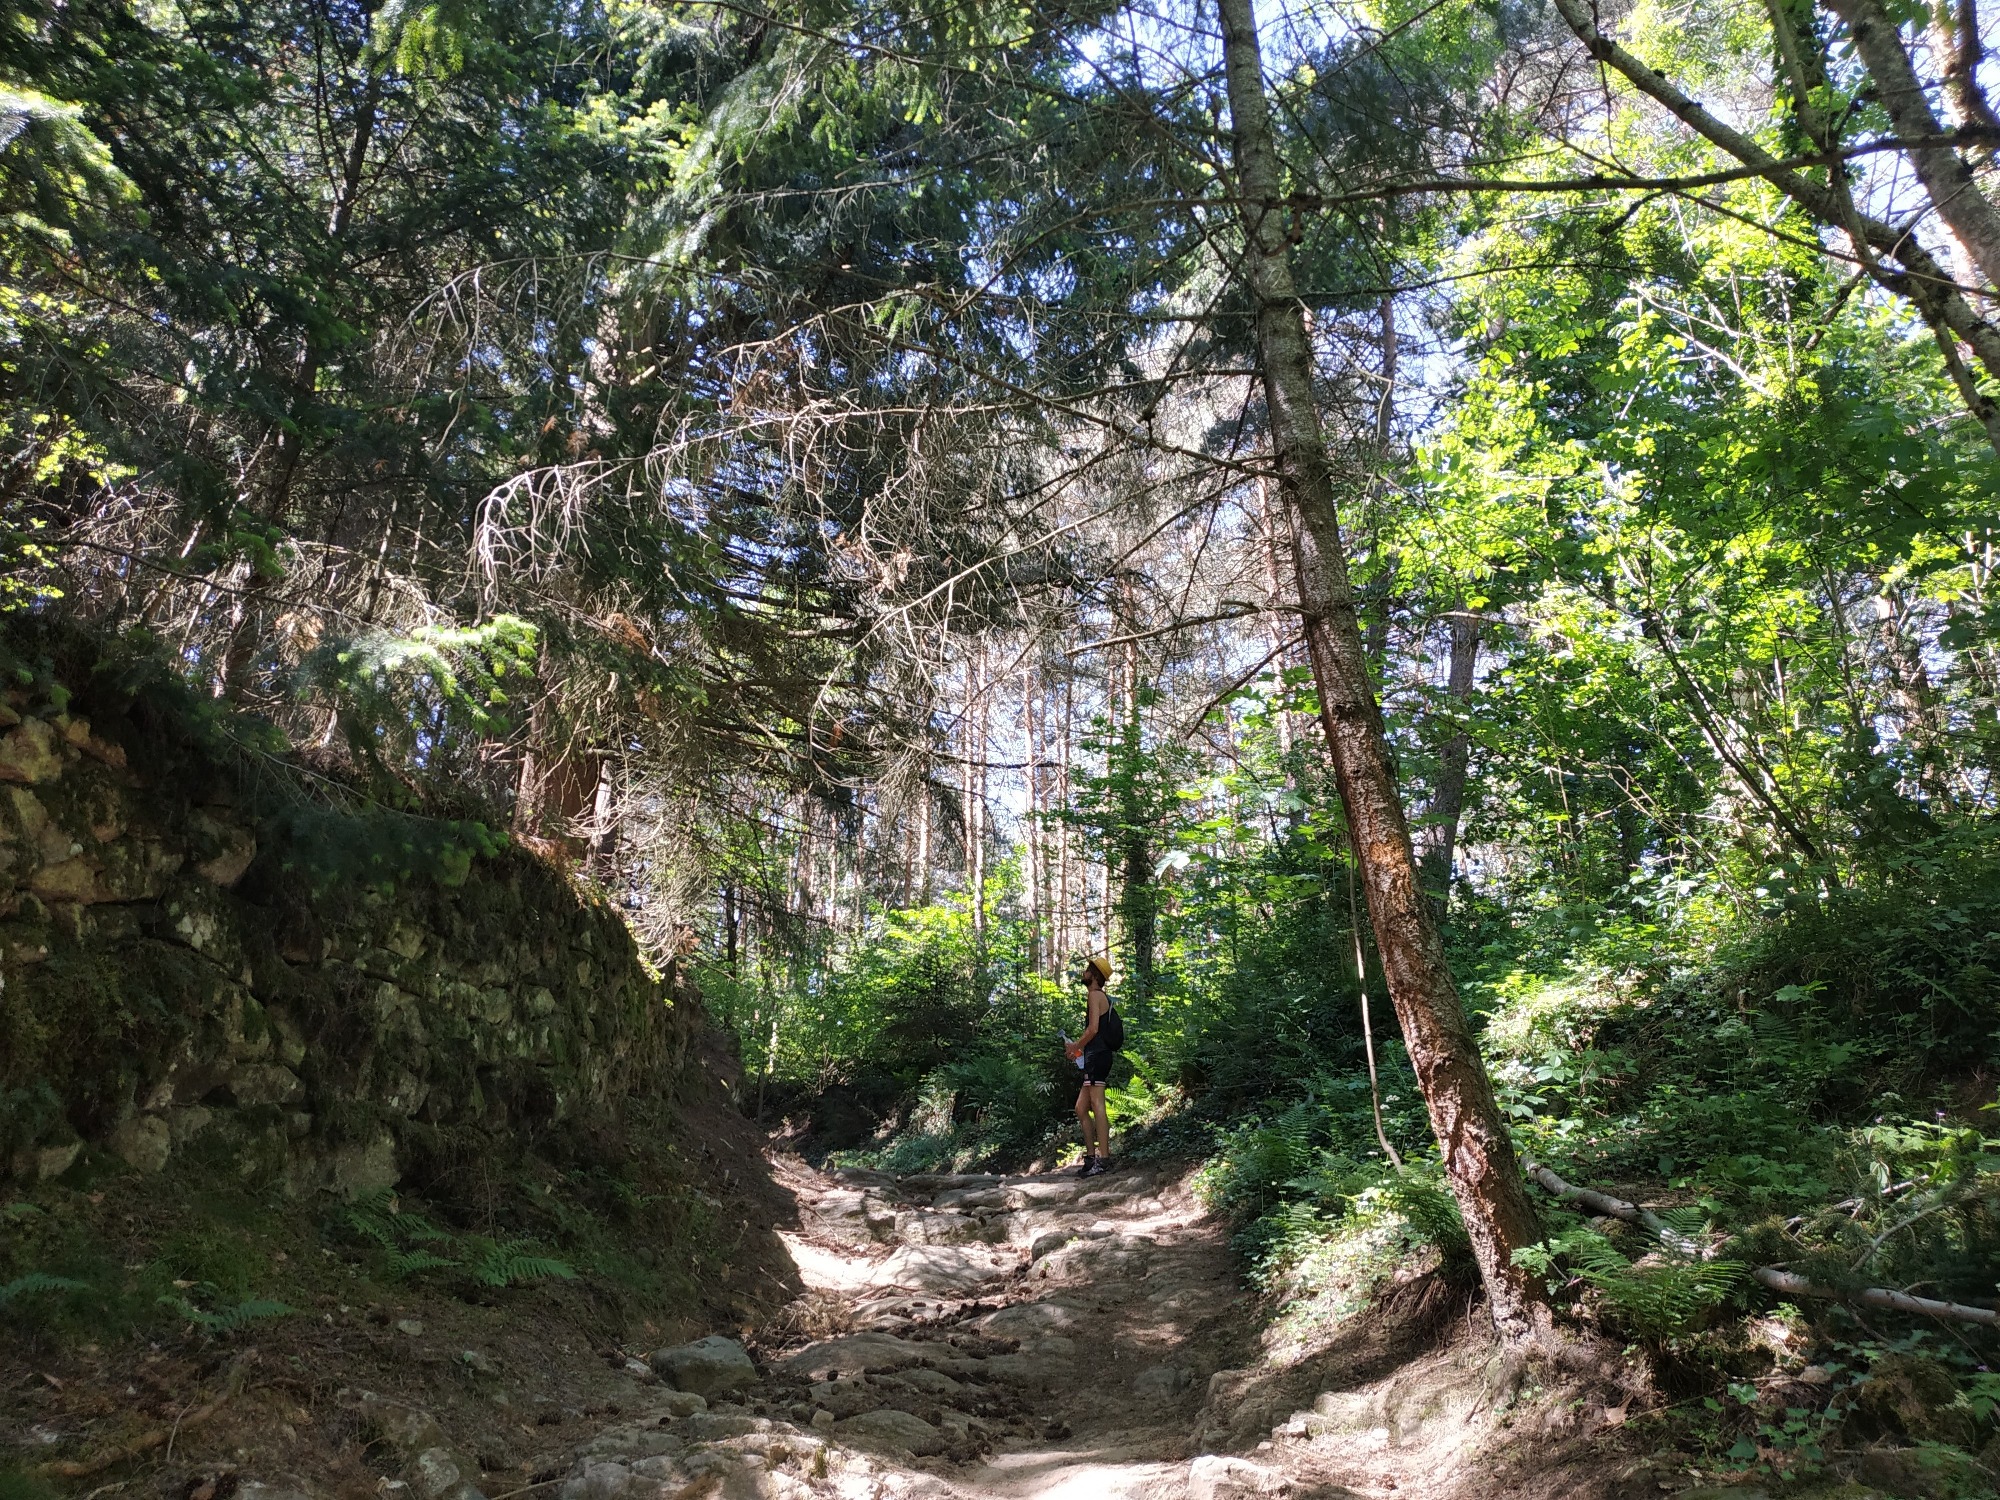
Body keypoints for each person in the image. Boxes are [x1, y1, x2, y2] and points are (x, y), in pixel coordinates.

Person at [1065, 956, 1124, 1178]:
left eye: (1088, 969)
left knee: (1098, 1104)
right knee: (1081, 1108)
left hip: (1098, 1057)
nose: (1084, 972)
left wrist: (1075, 1047)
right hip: (1094, 1057)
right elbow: (1093, 1033)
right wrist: (1080, 1050)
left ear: (1095, 975)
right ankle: (1090, 1158)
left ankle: (1104, 1159)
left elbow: (1093, 1030)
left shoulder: (1094, 995)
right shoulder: (1099, 996)